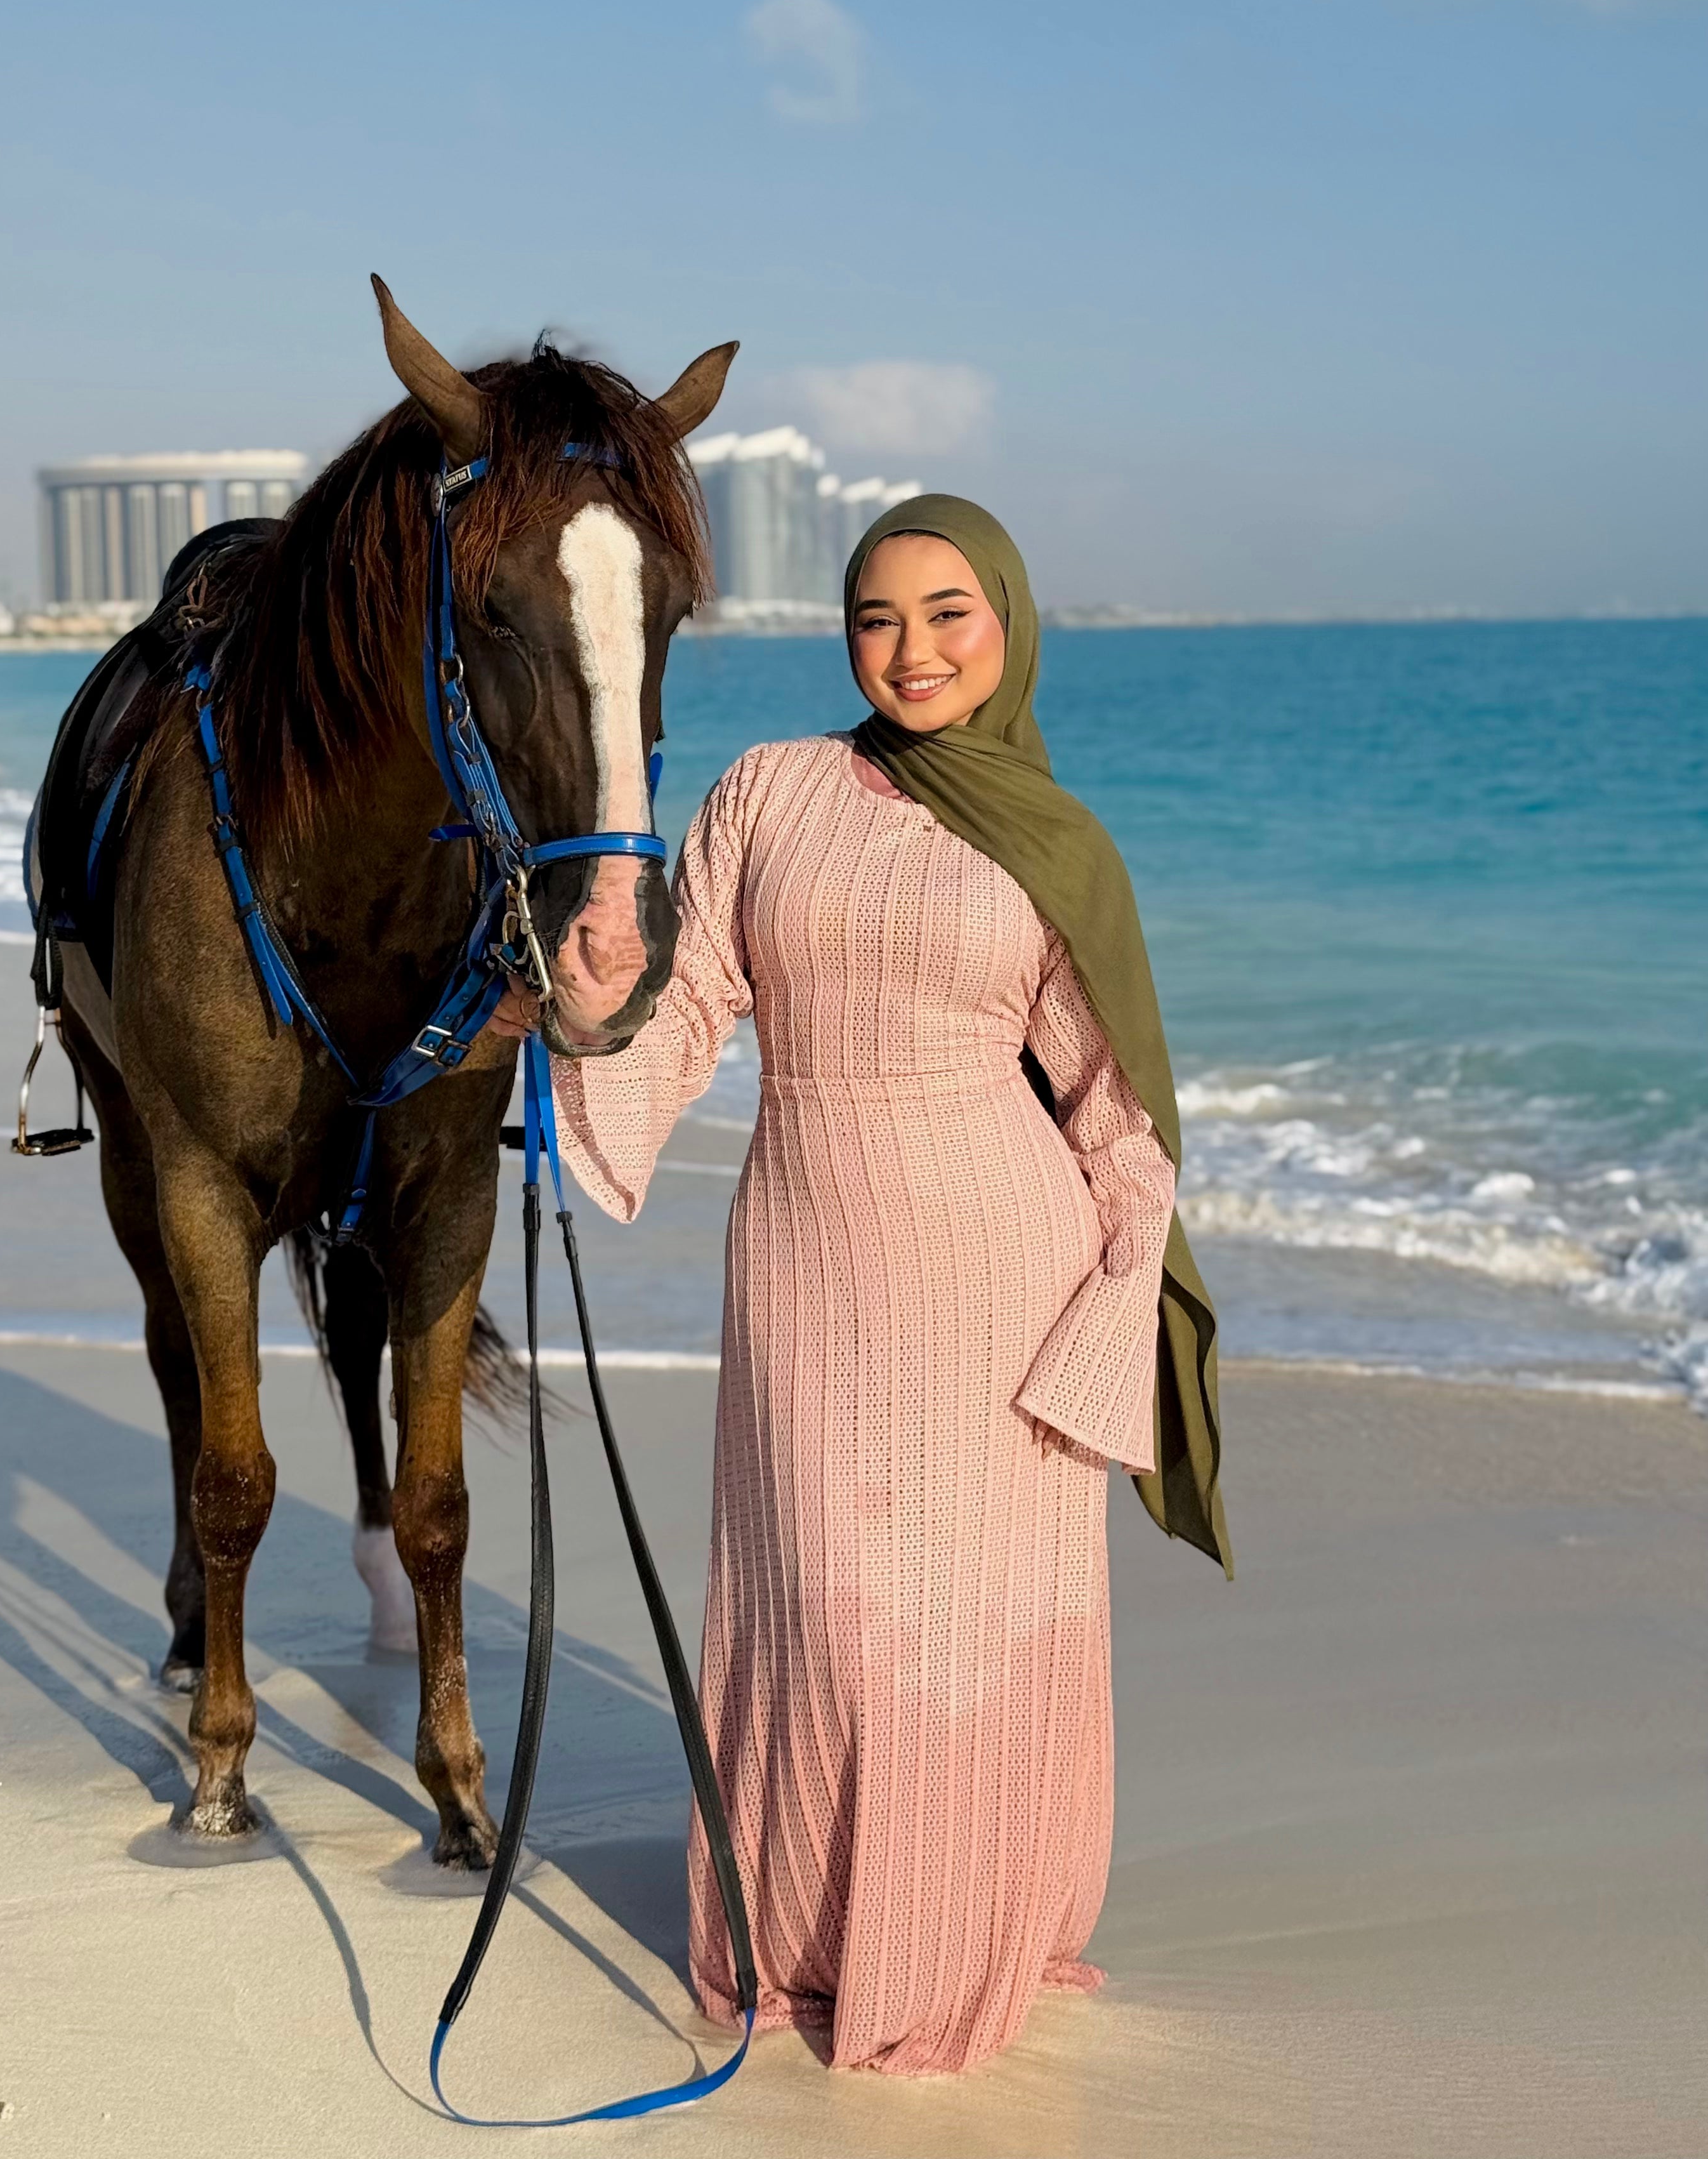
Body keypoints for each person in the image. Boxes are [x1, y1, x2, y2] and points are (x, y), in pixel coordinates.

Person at [492, 494, 1228, 2077]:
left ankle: (949, 1941)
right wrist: (582, 1025)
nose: (912, 649)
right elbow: (692, 1004)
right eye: (877, 618)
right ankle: (808, 1935)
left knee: (953, 1619)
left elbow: (1112, 1109)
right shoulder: (771, 793)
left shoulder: (1058, 842)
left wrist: (1116, 1307)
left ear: (1009, 625)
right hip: (808, 1254)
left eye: (949, 613)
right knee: (813, 1600)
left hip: (996, 1268)